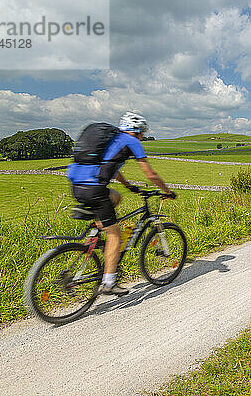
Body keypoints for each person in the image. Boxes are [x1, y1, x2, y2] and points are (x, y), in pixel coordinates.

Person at [67, 112, 175, 296]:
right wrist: (167, 191)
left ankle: (97, 231)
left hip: (77, 185)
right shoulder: (131, 141)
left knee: (116, 196)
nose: (142, 136)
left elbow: (112, 167)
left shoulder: (113, 140)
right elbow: (150, 174)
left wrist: (128, 186)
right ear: (137, 130)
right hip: (95, 189)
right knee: (115, 234)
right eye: (142, 132)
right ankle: (109, 281)